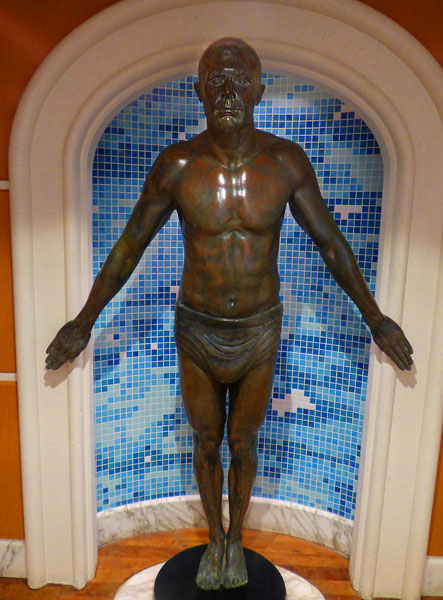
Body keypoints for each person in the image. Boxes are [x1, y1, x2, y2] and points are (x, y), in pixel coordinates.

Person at [46, 38, 413, 589]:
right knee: (205, 439)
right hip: (197, 328)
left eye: (241, 81)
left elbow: (332, 245)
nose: (228, 92)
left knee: (244, 442)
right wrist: (84, 321)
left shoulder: (285, 162)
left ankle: (235, 539)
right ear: (198, 90)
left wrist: (376, 318)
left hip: (259, 330)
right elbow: (129, 247)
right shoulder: (177, 165)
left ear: (260, 91)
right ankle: (214, 540)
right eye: (216, 80)